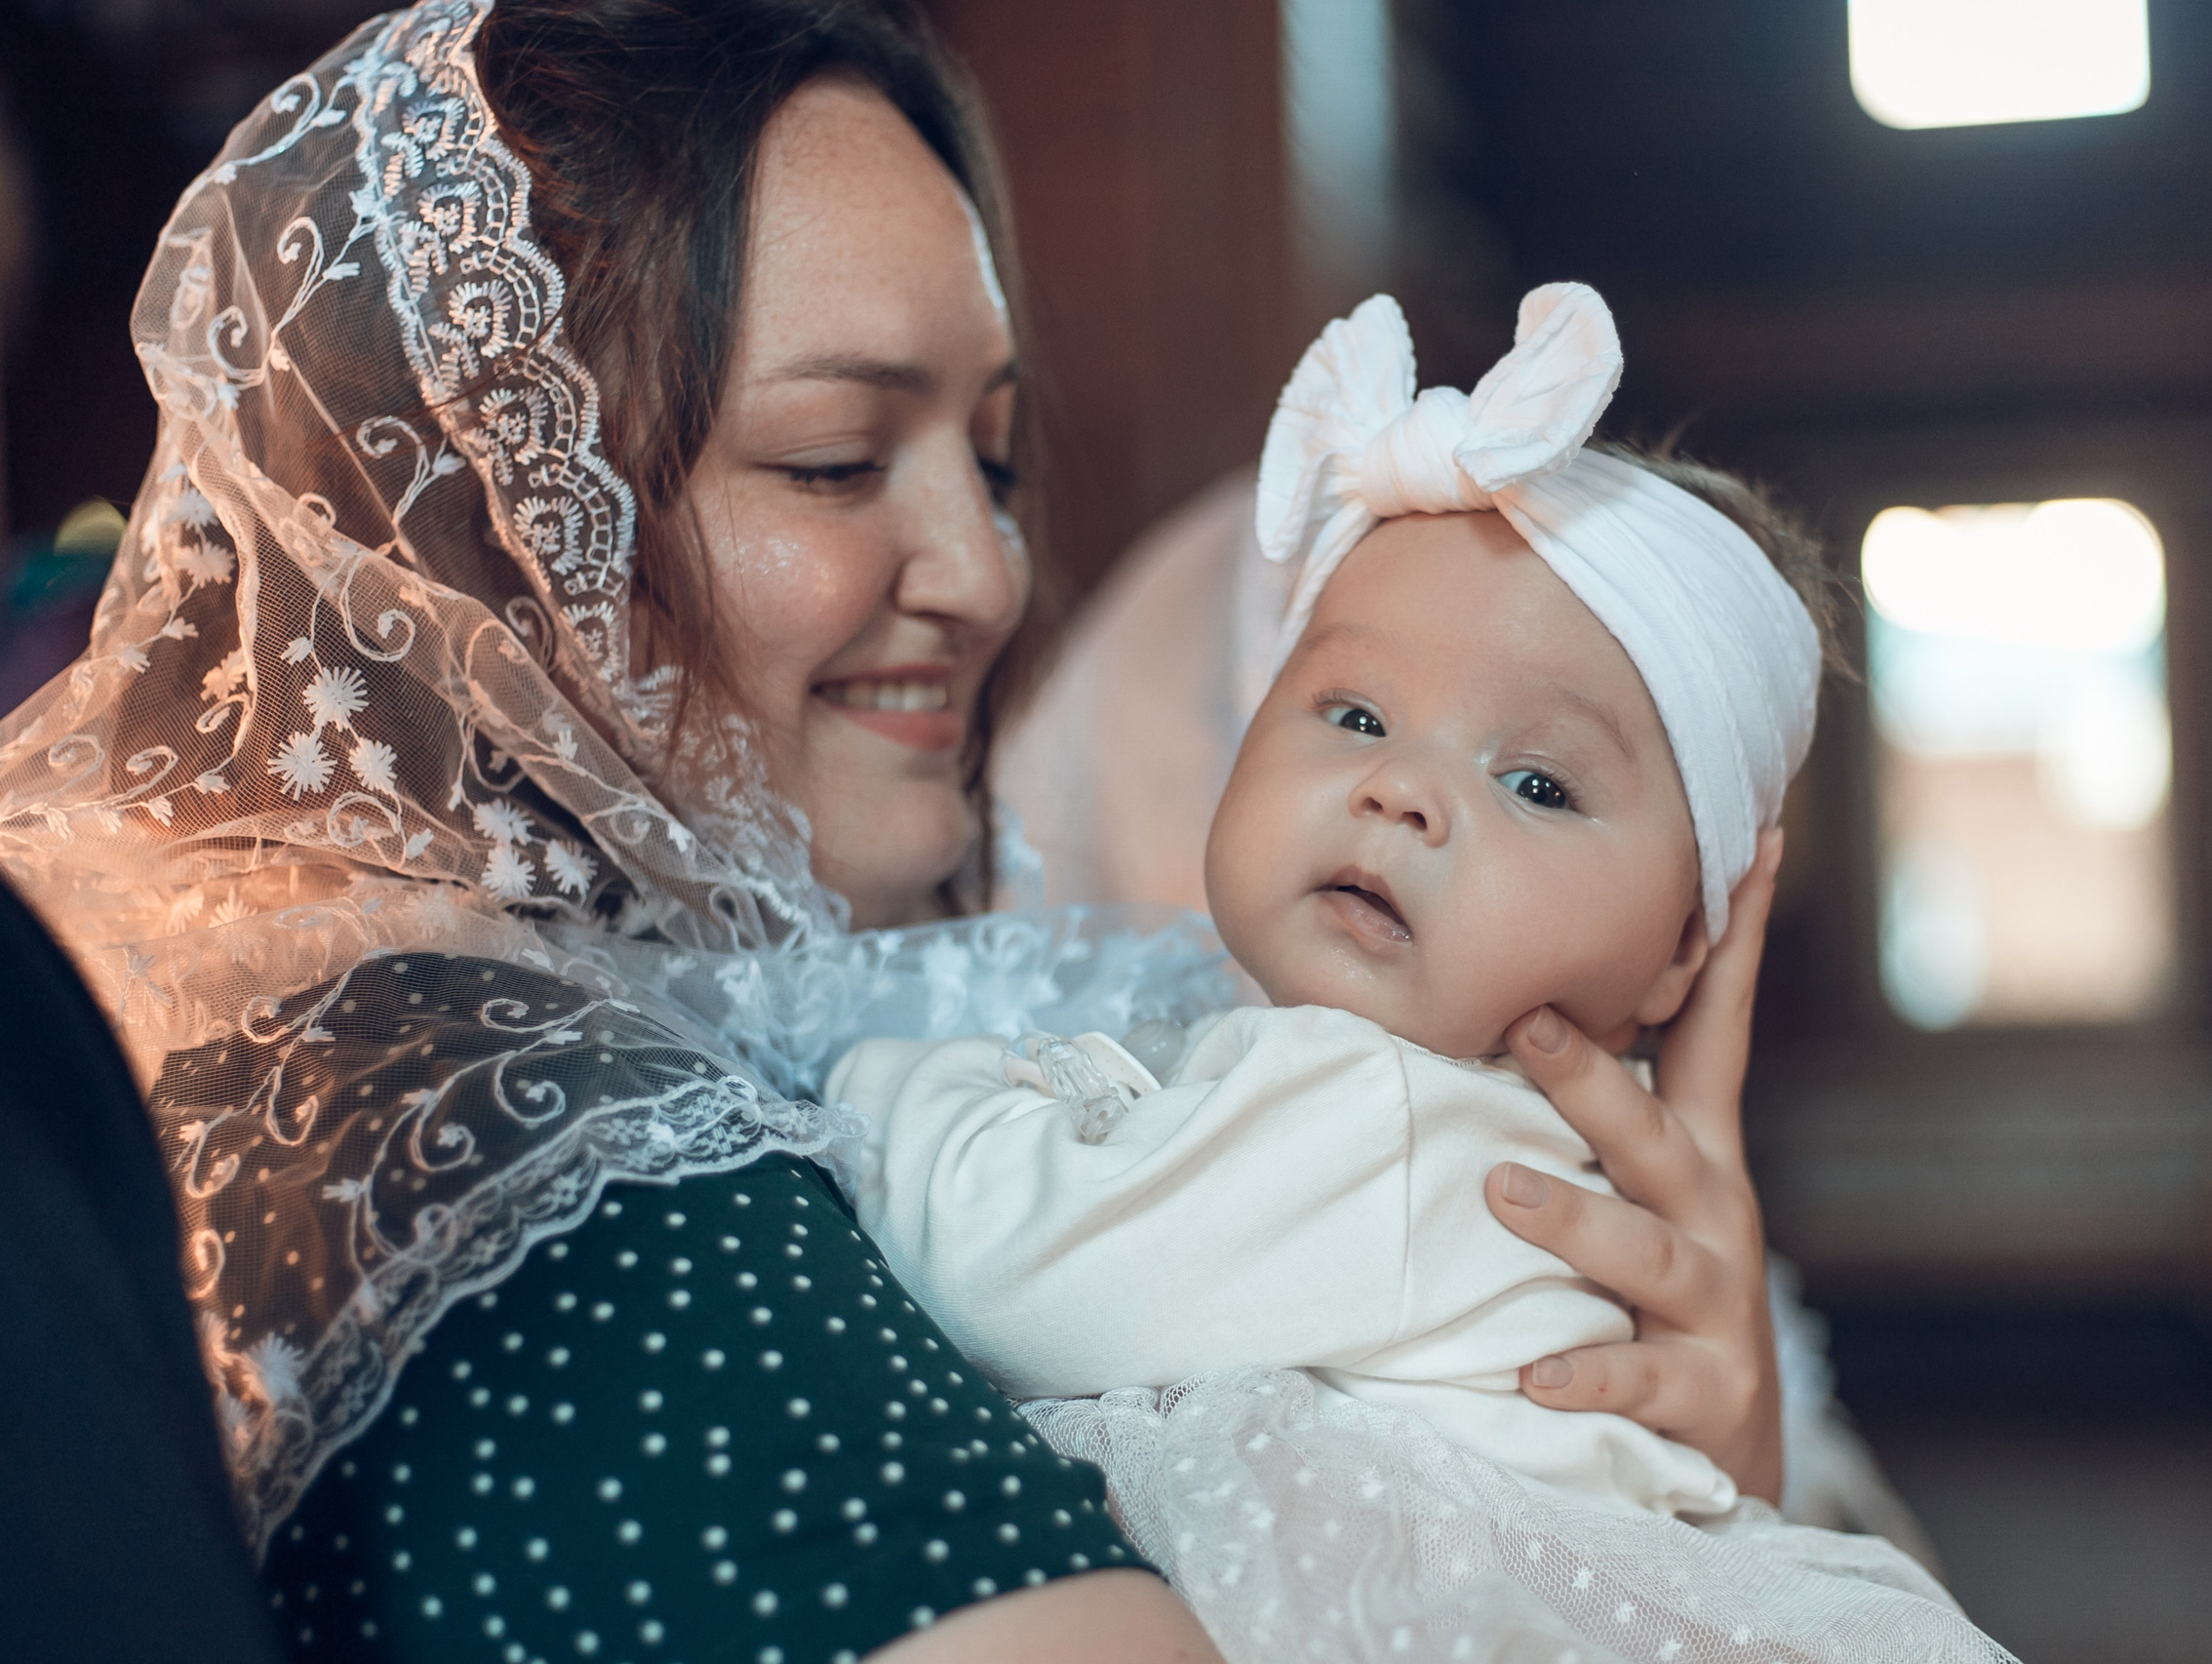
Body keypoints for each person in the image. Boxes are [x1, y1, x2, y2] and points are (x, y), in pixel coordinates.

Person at [0, 2, 1791, 1659]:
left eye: (994, 462)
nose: (989, 571)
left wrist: (1716, 1465)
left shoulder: (878, 1004)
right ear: (482, 525)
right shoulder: (540, 1154)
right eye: (837, 460)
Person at [825, 289, 2004, 1660]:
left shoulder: (1390, 1119)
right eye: (1355, 713)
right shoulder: (1461, 1123)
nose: (1401, 789)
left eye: (1537, 782)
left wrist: (879, 1080)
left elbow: (1010, 1260)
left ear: (1687, 947)